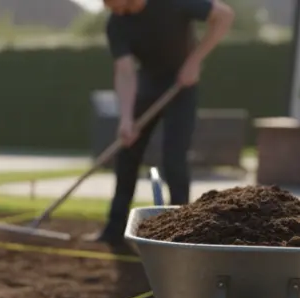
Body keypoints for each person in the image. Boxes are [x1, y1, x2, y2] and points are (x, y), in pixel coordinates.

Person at [90, 0, 236, 252]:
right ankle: (114, 229)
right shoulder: (117, 23)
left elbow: (224, 16)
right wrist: (126, 119)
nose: (106, 5)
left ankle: (181, 230)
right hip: (148, 84)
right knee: (127, 153)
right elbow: (125, 71)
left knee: (174, 158)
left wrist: (194, 61)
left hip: (182, 85)